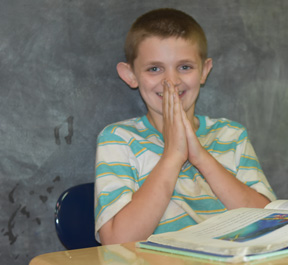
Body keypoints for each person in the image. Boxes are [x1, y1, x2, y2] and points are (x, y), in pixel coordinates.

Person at [94, 8, 276, 245]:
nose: (171, 81)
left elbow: (270, 224)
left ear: (204, 71)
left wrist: (199, 156)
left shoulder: (231, 136)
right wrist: (173, 155)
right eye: (154, 69)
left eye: (185, 67)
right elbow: (117, 241)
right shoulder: (118, 139)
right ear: (130, 75)